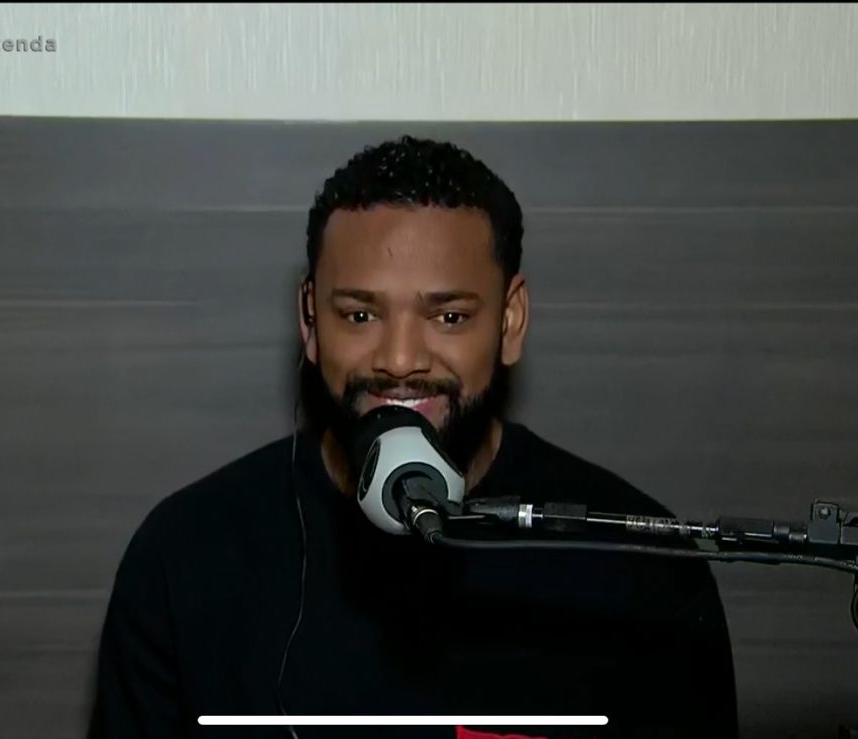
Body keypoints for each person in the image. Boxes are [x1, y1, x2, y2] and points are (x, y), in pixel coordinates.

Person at [89, 136, 739, 738]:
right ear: (311, 321)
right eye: (360, 314)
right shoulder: (185, 557)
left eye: (449, 316)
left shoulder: (640, 569)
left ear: (510, 321)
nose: (400, 359)